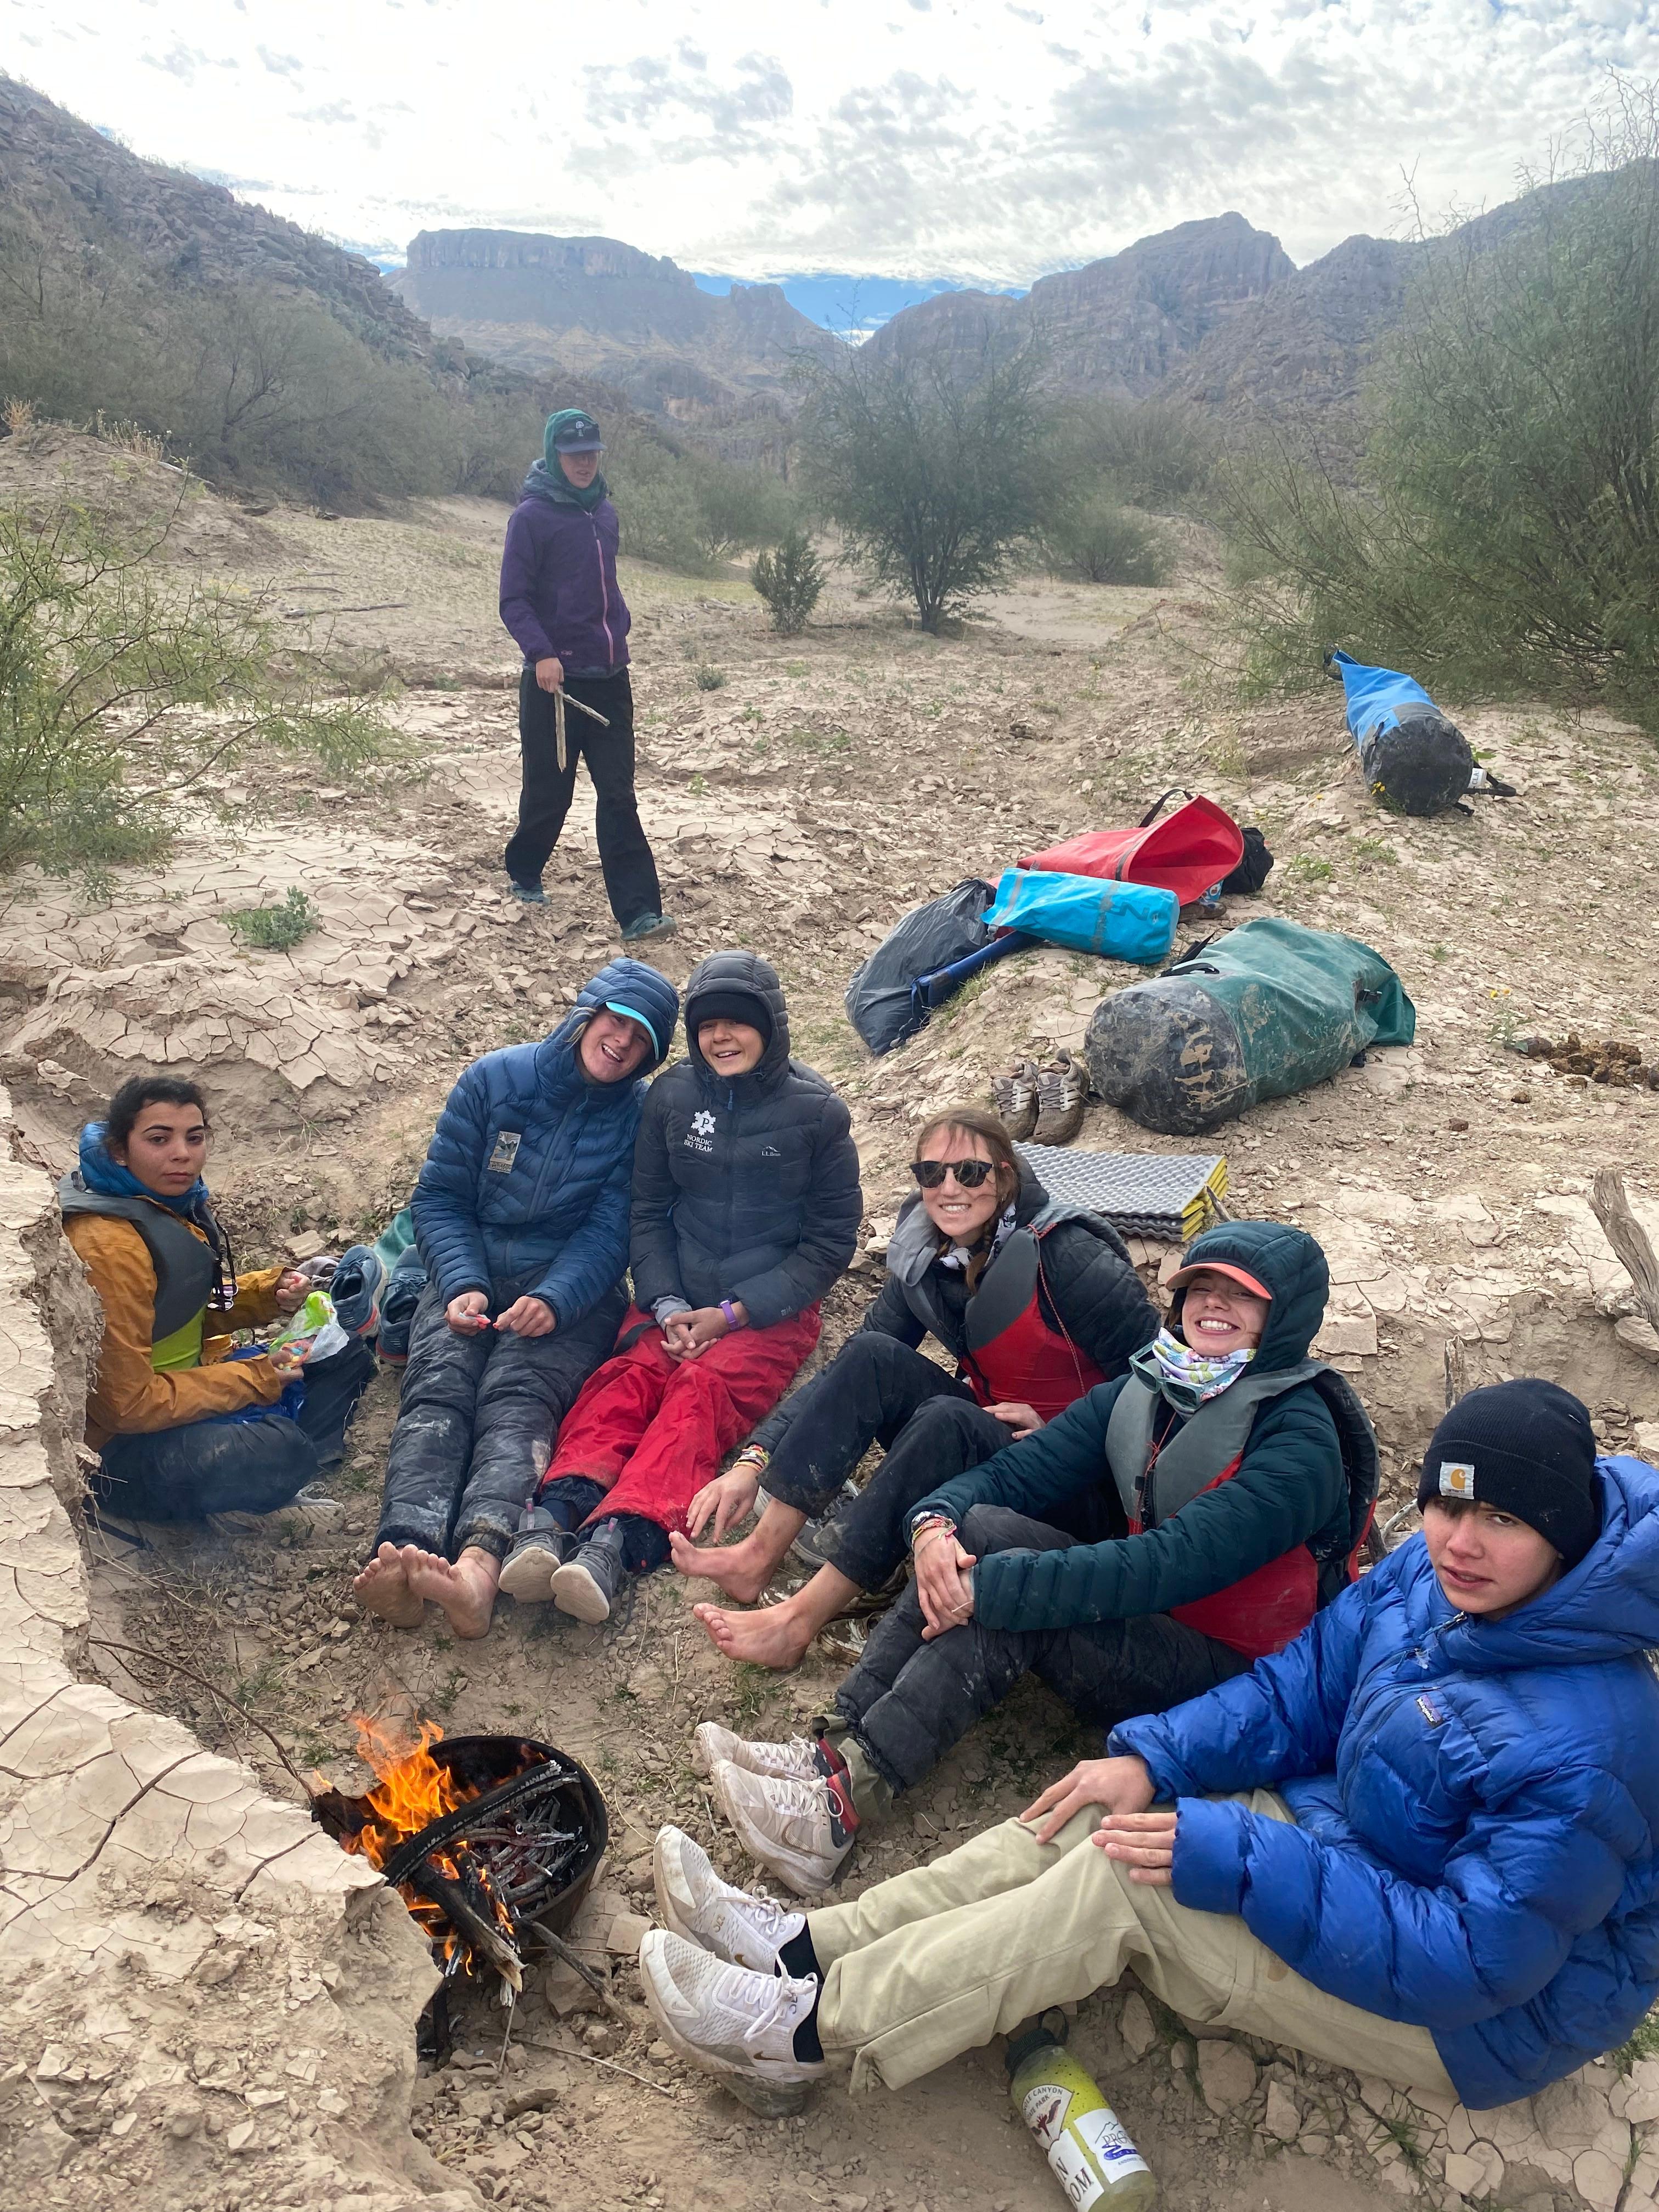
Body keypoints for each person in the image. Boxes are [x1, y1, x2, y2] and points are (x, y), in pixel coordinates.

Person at [639, 1379, 1659, 2118]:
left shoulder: (1587, 1739)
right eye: (1443, 1502)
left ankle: (802, 2034)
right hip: (1351, 1840)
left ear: (1564, 1535)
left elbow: (1471, 1958)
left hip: (1471, 2018)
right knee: (1095, 1803)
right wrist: (1154, 1758)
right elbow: (1298, 1688)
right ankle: (803, 1947)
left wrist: (1238, 1852)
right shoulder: (1435, 1581)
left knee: (1135, 1880)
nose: (1457, 1540)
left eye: (1500, 1518)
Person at [706, 1221, 1375, 1895]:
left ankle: (839, 1809)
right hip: (1158, 1619)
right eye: (1199, 1287)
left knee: (1010, 1588)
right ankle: (831, 1748)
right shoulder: (1159, 1386)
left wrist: (992, 1588)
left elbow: (1167, 1564)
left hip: (1235, 1681)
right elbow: (1025, 1470)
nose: (1211, 1304)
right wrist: (934, 1524)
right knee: (984, 1527)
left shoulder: (1300, 1443)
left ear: (1284, 1315)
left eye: (1240, 1296)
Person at [674, 1105, 1158, 1668]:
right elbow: (852, 1369)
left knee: (945, 1420)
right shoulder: (931, 1255)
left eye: (970, 1174)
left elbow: (1156, 1384)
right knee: (874, 1357)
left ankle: (796, 1622)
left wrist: (1063, 1432)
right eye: (932, 1174)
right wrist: (754, 1461)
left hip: (1079, 1479)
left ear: (1004, 1176)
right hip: (995, 1442)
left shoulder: (1069, 1256)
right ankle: (758, 1555)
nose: (949, 1189)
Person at [497, 951, 862, 1626]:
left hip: (765, 1315)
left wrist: (732, 1313)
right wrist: (664, 1301)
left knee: (699, 1393)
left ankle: (616, 1542)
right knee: (625, 1381)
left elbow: (830, 1243)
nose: (721, 1037)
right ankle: (553, 1518)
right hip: (673, 1297)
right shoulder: (672, 1097)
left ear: (771, 1027)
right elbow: (647, 1209)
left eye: (738, 1024)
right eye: (707, 1025)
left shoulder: (817, 1115)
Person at [353, 958, 679, 1640]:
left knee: (517, 1401)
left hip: (572, 1293)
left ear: (651, 1056)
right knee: (439, 1391)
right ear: (587, 1013)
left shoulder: (641, 1116)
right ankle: (404, 1550)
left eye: (640, 1039)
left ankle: (475, 1568)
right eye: (615, 1022)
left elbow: (613, 1226)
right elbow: (440, 1198)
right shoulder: (495, 1079)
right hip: (467, 1273)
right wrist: (462, 1279)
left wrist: (558, 1297)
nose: (620, 1043)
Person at [61, 1077, 375, 1521]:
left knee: (343, 1355)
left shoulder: (159, 1201)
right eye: (158, 1139)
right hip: (120, 1447)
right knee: (275, 1449)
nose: (182, 1154)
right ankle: (270, 1471)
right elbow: (126, 1406)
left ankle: (287, 1468)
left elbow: (180, 1307)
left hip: (186, 1384)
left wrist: (266, 1294)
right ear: (119, 1150)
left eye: (194, 1137)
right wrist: (256, 1376)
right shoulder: (110, 1246)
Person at [498, 407, 674, 941]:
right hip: (553, 684)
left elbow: (605, 586)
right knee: (551, 794)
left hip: (611, 676)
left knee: (618, 793)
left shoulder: (606, 514)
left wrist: (619, 626)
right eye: (574, 455)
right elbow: (514, 600)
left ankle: (639, 912)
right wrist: (542, 653)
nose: (584, 462)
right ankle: (524, 869)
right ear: (556, 455)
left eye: (591, 453)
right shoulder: (530, 518)